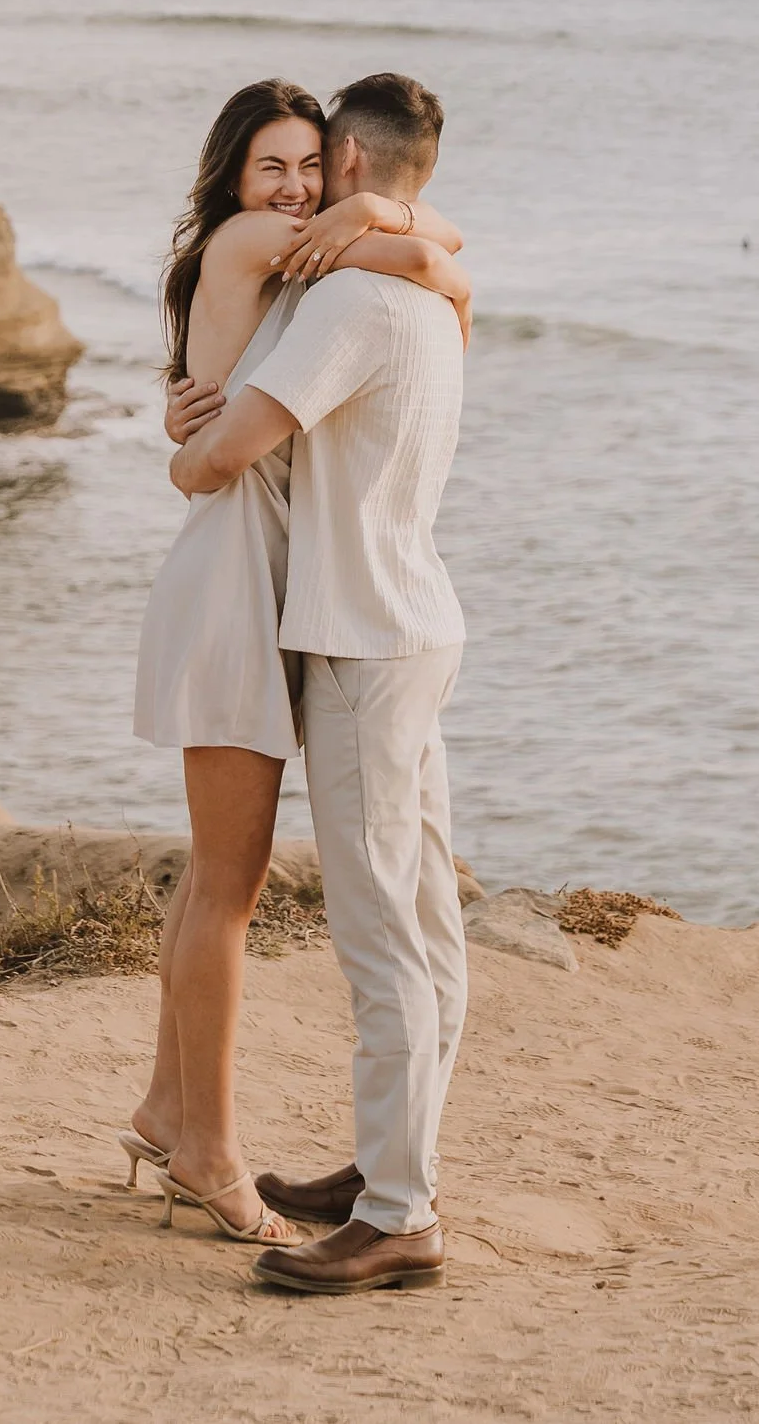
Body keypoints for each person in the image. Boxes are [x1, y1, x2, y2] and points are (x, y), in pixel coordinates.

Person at [126, 77, 471, 1247]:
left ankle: (168, 1110)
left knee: (215, 879)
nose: (294, 189)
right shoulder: (270, 242)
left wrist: (390, 222)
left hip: (255, 571)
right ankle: (209, 1154)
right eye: (271, 165)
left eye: (310, 168)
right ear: (232, 179)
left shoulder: (314, 257)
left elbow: (443, 264)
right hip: (234, 577)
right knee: (228, 885)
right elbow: (451, 267)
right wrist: (399, 222)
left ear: (344, 165)